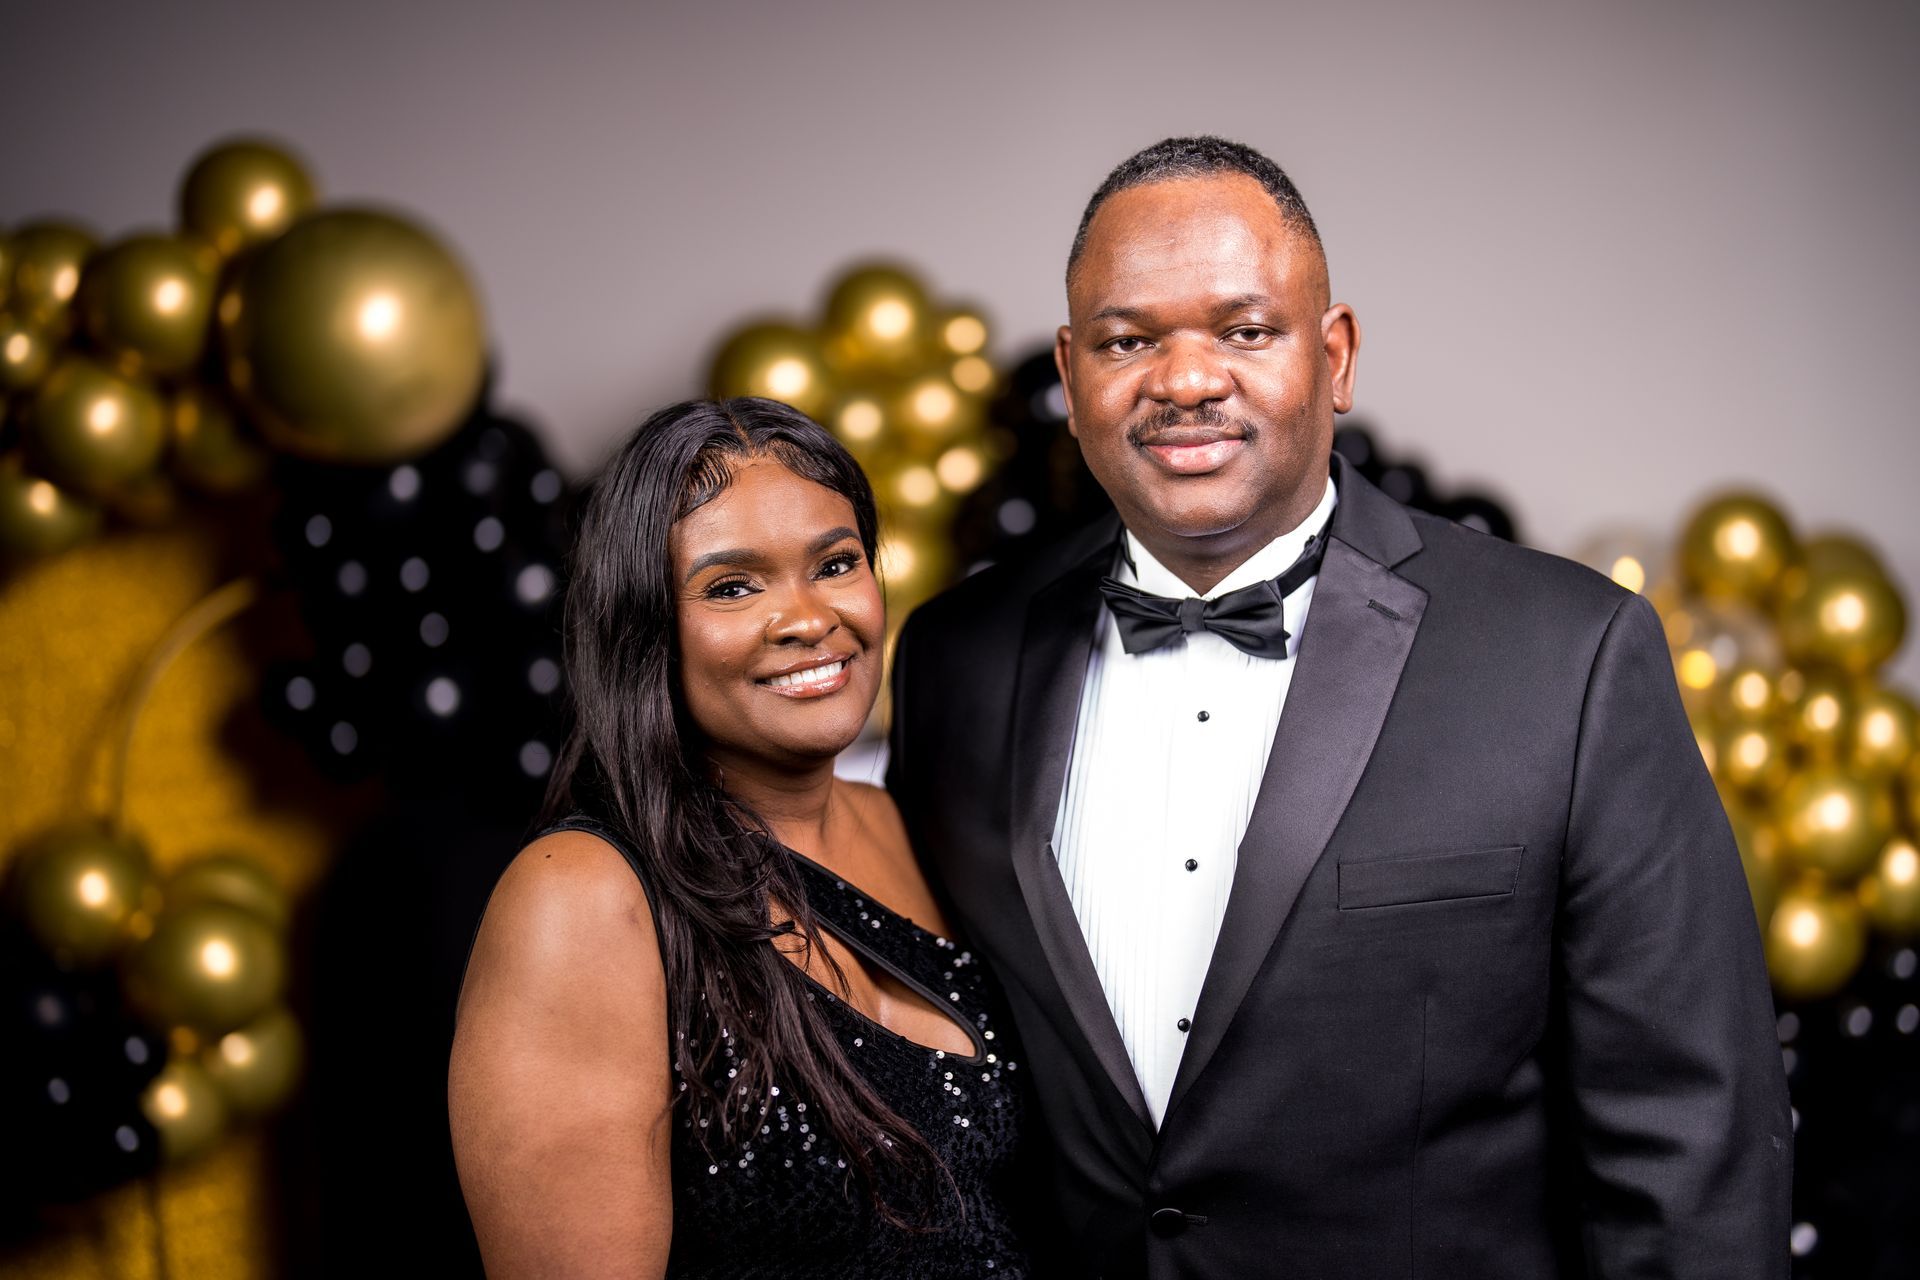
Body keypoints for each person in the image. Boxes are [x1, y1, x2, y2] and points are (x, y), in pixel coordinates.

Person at [887, 137, 1792, 1278]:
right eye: (1128, 340)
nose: (1184, 380)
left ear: (1338, 355)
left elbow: (1692, 1144)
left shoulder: (1570, 657)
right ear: (1070, 377)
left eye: (1244, 329)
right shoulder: (951, 660)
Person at [449, 398, 1035, 1278]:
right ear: (643, 626)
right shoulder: (581, 895)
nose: (806, 619)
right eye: (733, 586)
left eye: (835, 564)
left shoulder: (917, 824)